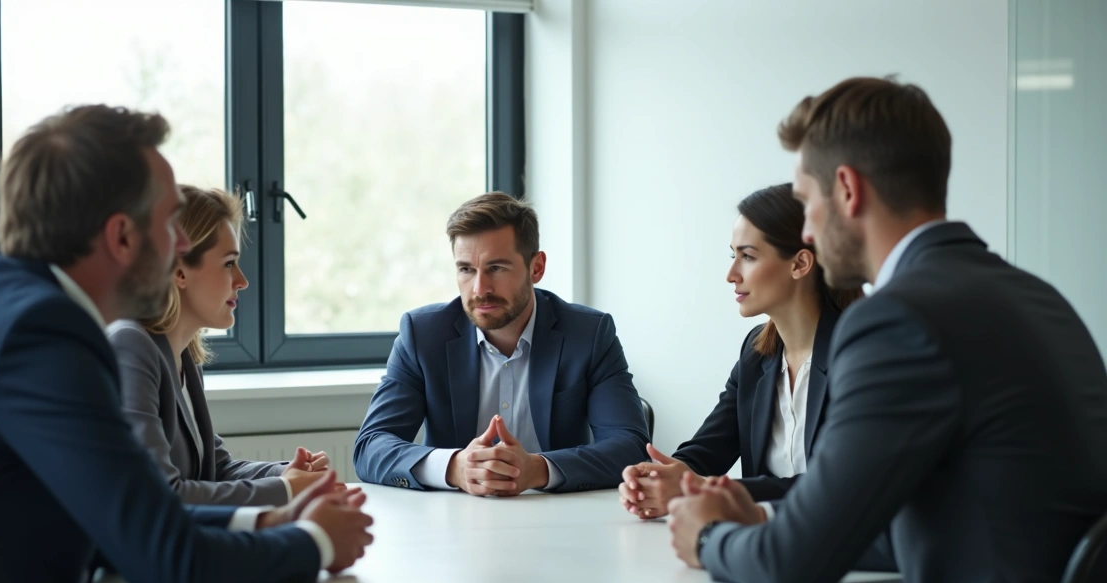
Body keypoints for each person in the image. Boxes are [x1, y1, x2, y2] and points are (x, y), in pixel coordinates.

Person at [0, 105, 374, 583]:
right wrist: (317, 543)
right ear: (122, 237)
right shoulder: (44, 336)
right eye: (170, 222)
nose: (183, 246)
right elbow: (170, 567)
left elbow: (133, 513)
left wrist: (264, 521)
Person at [667, 77, 1107, 583]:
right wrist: (767, 517)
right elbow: (936, 524)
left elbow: (794, 566)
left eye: (805, 202)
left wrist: (707, 538)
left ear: (846, 190)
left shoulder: (898, 320)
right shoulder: (1036, 297)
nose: (805, 229)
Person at [353, 192, 649, 495]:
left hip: (559, 519)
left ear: (536, 268)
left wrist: (538, 470)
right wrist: (455, 467)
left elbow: (630, 447)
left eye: (496, 268)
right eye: (466, 269)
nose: (480, 289)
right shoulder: (423, 335)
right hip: (450, 523)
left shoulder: (588, 334)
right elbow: (371, 447)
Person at [619, 183, 860, 521]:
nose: (731, 275)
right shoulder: (757, 353)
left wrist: (706, 489)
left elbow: (838, 485)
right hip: (770, 542)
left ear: (800, 263)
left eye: (748, 256)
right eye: (733, 256)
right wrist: (657, 476)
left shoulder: (859, 354)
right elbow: (708, 449)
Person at [109, 185, 333, 507]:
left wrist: (287, 473)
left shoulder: (184, 356)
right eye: (229, 263)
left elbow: (216, 470)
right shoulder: (130, 347)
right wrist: (285, 490)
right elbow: (160, 494)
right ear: (179, 270)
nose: (242, 280)